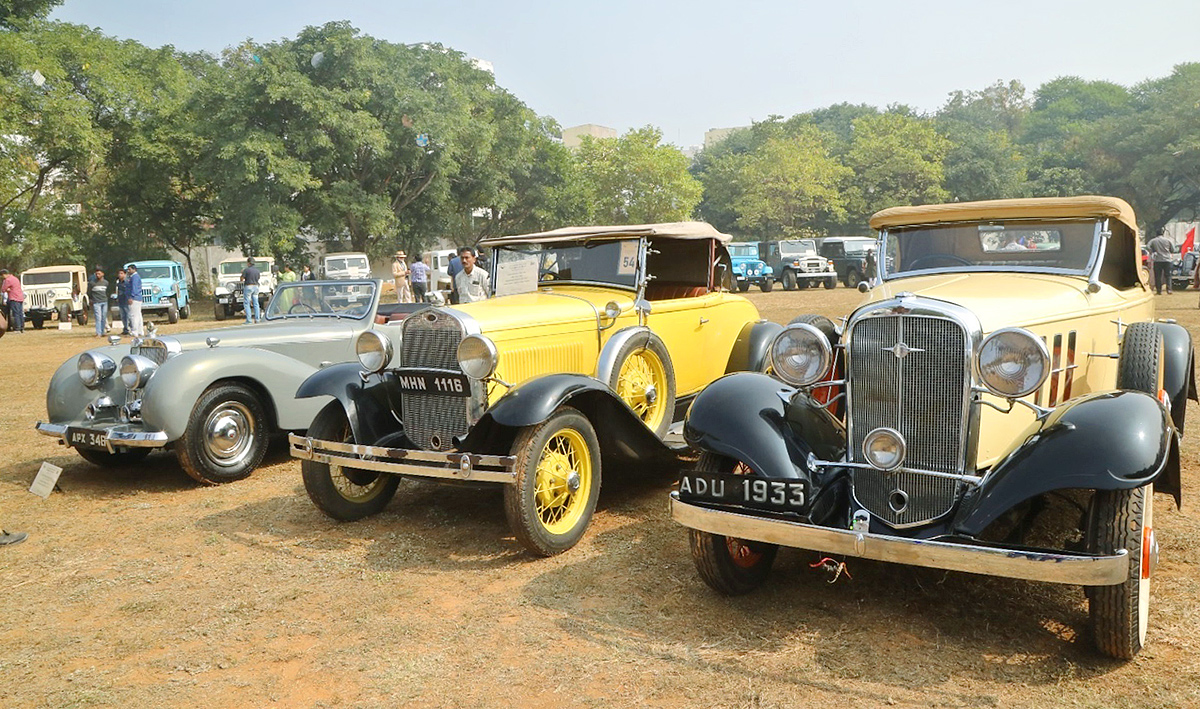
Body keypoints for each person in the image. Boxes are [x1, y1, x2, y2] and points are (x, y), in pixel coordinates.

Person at [1147, 230, 1176, 295]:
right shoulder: (1168, 240)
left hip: (1158, 260)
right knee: (1168, 276)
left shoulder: (1153, 240)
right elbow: (1173, 249)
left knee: (1158, 276)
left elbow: (1148, 246)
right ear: (1163, 233)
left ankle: (1159, 291)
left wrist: (1152, 251)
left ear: (1156, 234)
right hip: (1167, 260)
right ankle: (1169, 290)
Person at [1, 268, 25, 333]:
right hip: (20, 297)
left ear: (4, 274)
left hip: (14, 297)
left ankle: (18, 328)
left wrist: (7, 289)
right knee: (20, 313)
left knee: (16, 313)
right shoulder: (15, 278)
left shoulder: (8, 280)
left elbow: (3, 289)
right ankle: (22, 328)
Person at [89, 267, 109, 336]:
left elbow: (107, 292)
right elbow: (89, 292)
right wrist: (90, 299)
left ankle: (102, 331)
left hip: (104, 301)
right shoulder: (92, 283)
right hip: (96, 302)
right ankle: (98, 332)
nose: (98, 275)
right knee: (98, 318)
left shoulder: (106, 283)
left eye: (99, 274)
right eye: (96, 274)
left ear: (103, 274)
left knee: (103, 317)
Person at [241, 257, 262, 323]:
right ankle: (257, 319)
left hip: (248, 286)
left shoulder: (246, 270)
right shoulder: (257, 271)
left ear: (248, 263)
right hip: (256, 286)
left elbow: (242, 279)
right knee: (256, 303)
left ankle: (249, 320)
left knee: (247, 303)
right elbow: (258, 278)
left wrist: (242, 273)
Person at [125, 263, 144, 336]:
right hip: (138, 298)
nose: (128, 271)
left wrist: (131, 297)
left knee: (133, 315)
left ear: (134, 269)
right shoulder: (134, 277)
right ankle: (140, 331)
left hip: (134, 298)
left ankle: (134, 331)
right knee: (138, 315)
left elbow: (134, 288)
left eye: (129, 269)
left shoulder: (134, 277)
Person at [114, 268, 131, 334]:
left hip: (126, 300)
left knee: (128, 315)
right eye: (119, 273)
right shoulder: (118, 282)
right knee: (123, 316)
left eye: (121, 273)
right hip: (121, 300)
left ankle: (130, 328)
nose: (120, 275)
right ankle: (125, 329)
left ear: (125, 274)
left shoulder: (127, 282)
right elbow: (117, 291)